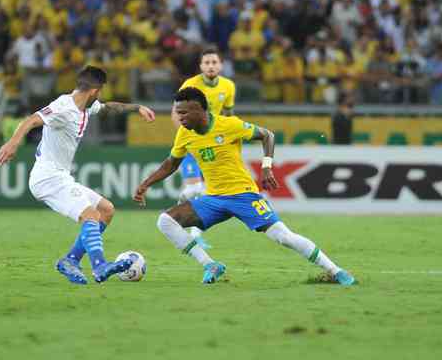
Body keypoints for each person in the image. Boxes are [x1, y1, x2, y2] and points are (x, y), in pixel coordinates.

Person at [134, 87, 355, 286]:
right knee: (165, 220)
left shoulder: (229, 125)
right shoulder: (184, 134)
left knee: (283, 236)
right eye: (177, 112)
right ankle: (210, 265)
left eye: (183, 113)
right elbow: (171, 164)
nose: (178, 118)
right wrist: (145, 184)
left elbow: (268, 135)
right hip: (213, 198)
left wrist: (267, 167)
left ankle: (335, 270)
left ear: (200, 110)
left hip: (243, 195)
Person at [0, 65, 156, 285]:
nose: (100, 97)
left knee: (106, 210)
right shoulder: (63, 107)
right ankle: (100, 266)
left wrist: (137, 107)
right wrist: (13, 143)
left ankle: (70, 261)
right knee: (90, 215)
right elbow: (32, 120)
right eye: (100, 92)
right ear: (94, 90)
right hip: (47, 178)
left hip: (61, 176)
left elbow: (109, 107)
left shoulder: (85, 107)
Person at [175, 47, 236, 241]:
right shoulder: (190, 85)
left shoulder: (228, 86)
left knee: (207, 191)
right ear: (201, 66)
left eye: (214, 62)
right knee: (194, 189)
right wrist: (186, 134)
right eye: (207, 63)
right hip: (193, 142)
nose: (210, 66)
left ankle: (194, 232)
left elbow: (228, 115)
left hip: (215, 143)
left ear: (221, 65)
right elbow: (176, 112)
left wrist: (231, 136)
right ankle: (176, 216)